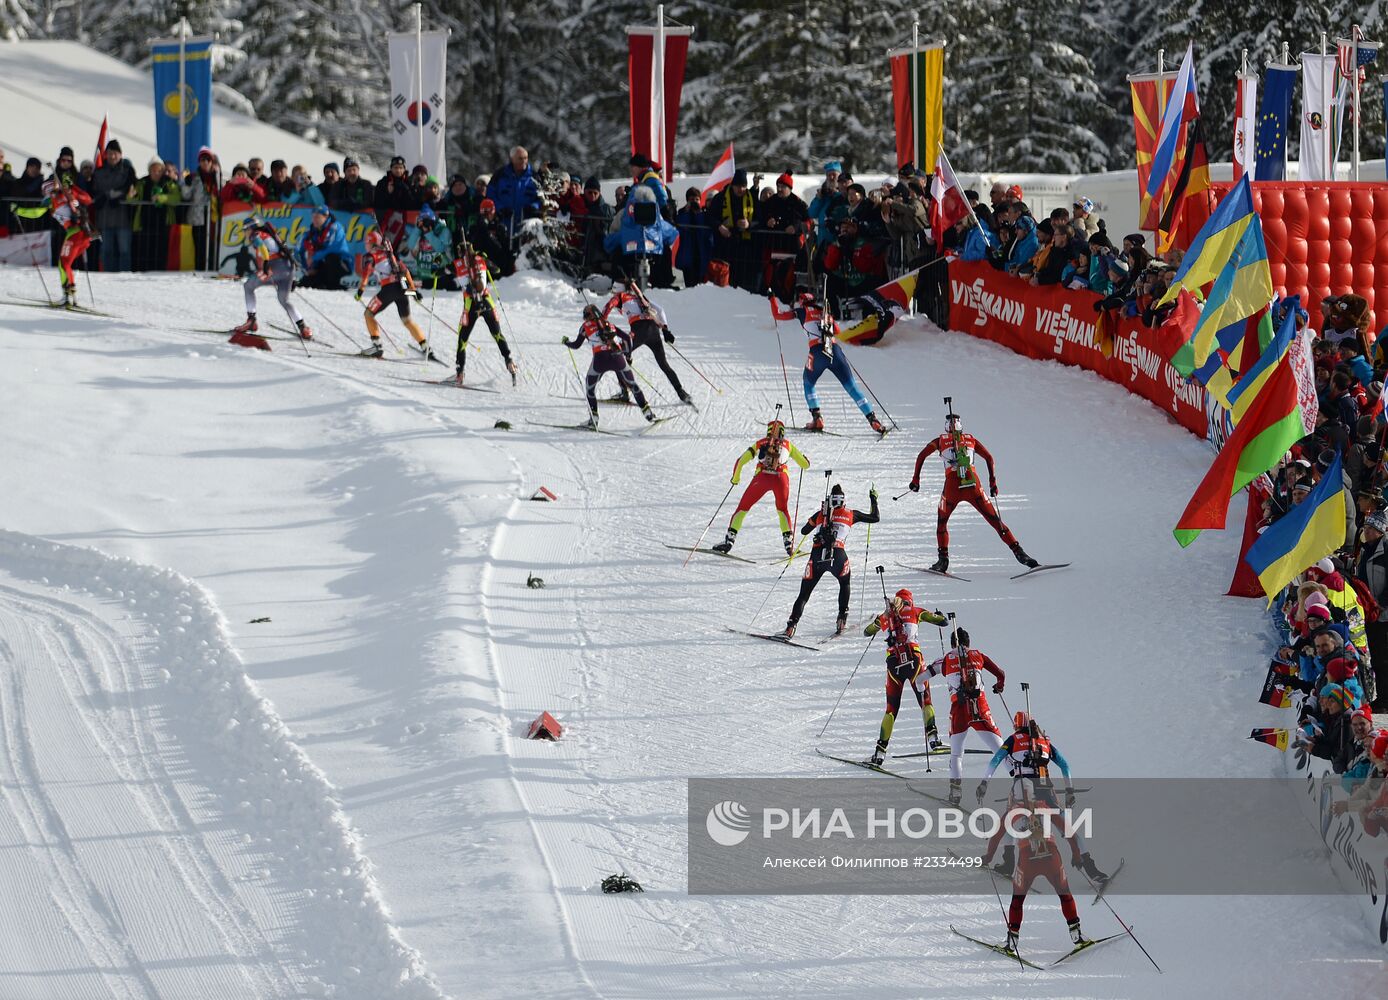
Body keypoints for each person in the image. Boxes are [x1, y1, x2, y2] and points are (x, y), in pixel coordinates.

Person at [975, 713, 1108, 883]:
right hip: (1046, 788)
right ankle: (1090, 867)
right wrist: (1069, 790)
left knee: (1009, 821)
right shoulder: (1045, 741)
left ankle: (1008, 863)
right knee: (1066, 826)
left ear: (1016, 726)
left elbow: (995, 760)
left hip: (1022, 786)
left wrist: (984, 783)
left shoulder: (1012, 740)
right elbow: (1064, 765)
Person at [908, 409, 1038, 573]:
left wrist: (916, 480)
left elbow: (921, 456)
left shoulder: (939, 441)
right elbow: (989, 458)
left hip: (952, 487)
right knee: (996, 521)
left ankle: (943, 560)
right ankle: (1020, 554)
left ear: (946, 427)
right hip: (973, 485)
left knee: (942, 522)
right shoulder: (971, 439)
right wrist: (992, 483)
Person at [770, 290, 884, 434]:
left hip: (816, 351)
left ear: (801, 301)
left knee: (808, 382)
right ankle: (873, 419)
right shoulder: (823, 311)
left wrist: (772, 298)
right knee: (852, 387)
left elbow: (777, 315)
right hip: (834, 350)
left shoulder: (802, 311)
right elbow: (836, 330)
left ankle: (817, 418)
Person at [864, 588, 948, 764]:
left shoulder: (885, 616)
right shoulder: (916, 611)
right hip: (914, 660)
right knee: (925, 700)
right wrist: (940, 616)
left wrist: (878, 623)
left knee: (891, 709)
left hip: (893, 664)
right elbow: (942, 622)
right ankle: (933, 739)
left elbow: (867, 631)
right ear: (910, 600)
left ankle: (880, 753)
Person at [783, 484, 879, 639]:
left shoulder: (820, 514)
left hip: (817, 556)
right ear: (843, 501)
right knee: (844, 583)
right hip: (838, 555)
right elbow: (875, 518)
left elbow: (804, 531)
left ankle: (791, 626)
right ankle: (842, 619)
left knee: (804, 594)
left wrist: (819, 519)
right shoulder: (851, 514)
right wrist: (873, 499)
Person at [927, 626, 1005, 803]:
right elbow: (1001, 674)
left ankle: (955, 793)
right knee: (1001, 751)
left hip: (959, 710)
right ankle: (1022, 787)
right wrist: (999, 686)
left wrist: (921, 690)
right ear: (969, 642)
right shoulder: (978, 655)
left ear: (953, 643)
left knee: (956, 754)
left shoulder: (946, 659)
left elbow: (922, 677)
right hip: (980, 707)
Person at [1001, 801, 1090, 955]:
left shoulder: (1013, 809)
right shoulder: (1043, 804)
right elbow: (1067, 831)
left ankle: (1012, 941)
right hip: (1051, 856)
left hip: (1027, 859)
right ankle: (1077, 935)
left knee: (1017, 900)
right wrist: (1076, 855)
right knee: (1064, 893)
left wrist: (987, 858)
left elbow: (997, 836)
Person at [713, 418, 811, 556]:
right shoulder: (788, 445)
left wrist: (735, 479)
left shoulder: (761, 443)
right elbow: (805, 465)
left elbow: (740, 461)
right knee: (782, 510)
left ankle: (729, 541)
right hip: (781, 479)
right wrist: (806, 460)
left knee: (742, 508)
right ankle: (789, 546)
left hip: (761, 478)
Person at [562, 304, 657, 429]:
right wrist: (627, 356)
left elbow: (576, 345)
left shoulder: (585, 327)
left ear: (586, 316)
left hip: (600, 361)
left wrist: (566, 342)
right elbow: (628, 338)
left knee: (590, 388)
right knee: (633, 385)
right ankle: (648, 414)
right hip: (618, 358)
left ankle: (594, 420)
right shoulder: (609, 324)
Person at [354, 229, 437, 361]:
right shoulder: (390, 254)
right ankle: (425, 346)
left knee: (368, 314)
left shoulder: (371, 256)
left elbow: (365, 275)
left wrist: (360, 291)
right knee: (408, 321)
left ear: (371, 244)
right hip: (402, 289)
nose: (366, 245)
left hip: (389, 289)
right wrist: (413, 290)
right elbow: (405, 271)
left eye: (367, 243)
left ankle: (377, 346)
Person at [601, 283, 691, 404]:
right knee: (664, 364)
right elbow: (660, 310)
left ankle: (624, 393)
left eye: (613, 292)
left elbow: (608, 306)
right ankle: (682, 393)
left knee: (618, 354)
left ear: (617, 291)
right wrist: (665, 330)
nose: (612, 295)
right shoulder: (639, 297)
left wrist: (602, 324)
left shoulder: (620, 296)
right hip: (653, 331)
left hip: (639, 331)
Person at [231, 216, 312, 341]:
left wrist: (265, 264)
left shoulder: (255, 235)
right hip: (288, 269)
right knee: (284, 300)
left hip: (275, 266)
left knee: (248, 286)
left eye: (244, 229)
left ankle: (251, 320)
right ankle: (303, 327)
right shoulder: (268, 234)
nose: (244, 233)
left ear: (250, 228)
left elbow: (263, 249)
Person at [21, 176, 94, 307]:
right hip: (82, 234)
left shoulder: (57, 198)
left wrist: (18, 210)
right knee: (64, 264)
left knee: (64, 263)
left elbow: (36, 213)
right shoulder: (61, 197)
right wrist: (71, 189)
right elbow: (87, 199)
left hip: (75, 233)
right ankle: (69, 296)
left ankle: (68, 296)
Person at [452, 244, 516, 386]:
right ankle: (509, 361)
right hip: (487, 302)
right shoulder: (481, 260)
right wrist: (484, 259)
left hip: (470, 305)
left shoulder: (456, 264)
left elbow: (437, 273)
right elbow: (497, 269)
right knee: (498, 334)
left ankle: (460, 373)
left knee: (462, 340)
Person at [91, 139, 137, 272]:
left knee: (124, 251)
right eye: (110, 153)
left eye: (115, 153)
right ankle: (107, 275)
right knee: (106, 251)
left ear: (121, 154)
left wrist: (117, 195)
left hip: (123, 219)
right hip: (104, 219)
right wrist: (105, 196)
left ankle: (124, 275)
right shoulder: (99, 172)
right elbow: (94, 190)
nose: (112, 156)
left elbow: (131, 189)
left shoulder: (128, 171)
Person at [707, 169, 758, 290]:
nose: (741, 190)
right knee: (723, 282)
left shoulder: (752, 199)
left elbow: (760, 220)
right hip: (724, 246)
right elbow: (709, 217)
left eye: (744, 186)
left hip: (745, 247)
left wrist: (749, 225)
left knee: (742, 284)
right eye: (738, 186)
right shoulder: (720, 198)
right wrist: (720, 227)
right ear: (732, 185)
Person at [131, 157, 181, 271]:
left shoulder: (169, 183)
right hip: (145, 223)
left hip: (164, 223)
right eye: (153, 170)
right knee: (145, 251)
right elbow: (132, 200)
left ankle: (160, 272)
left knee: (161, 251)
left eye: (159, 170)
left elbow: (177, 199)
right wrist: (130, 196)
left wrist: (162, 198)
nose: (156, 173)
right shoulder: (142, 182)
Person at [487, 145, 542, 245]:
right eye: (520, 158)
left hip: (525, 226)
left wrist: (534, 207)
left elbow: (542, 197)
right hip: (504, 224)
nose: (524, 161)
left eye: (526, 158)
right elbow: (491, 194)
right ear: (512, 159)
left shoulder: (534, 177)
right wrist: (500, 208)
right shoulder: (500, 175)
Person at [181, 147, 221, 270]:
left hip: (213, 217)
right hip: (197, 217)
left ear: (212, 162)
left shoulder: (218, 177)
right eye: (203, 160)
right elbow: (186, 195)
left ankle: (212, 268)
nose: (205, 162)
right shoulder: (195, 177)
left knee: (213, 245)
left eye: (208, 159)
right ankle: (199, 270)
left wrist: (218, 178)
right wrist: (184, 183)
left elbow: (221, 193)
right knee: (199, 246)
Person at [296, 205, 353, 290]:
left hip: (342, 263)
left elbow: (333, 248)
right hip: (322, 264)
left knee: (330, 257)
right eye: (313, 217)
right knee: (305, 283)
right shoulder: (310, 231)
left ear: (326, 217)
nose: (314, 220)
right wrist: (307, 268)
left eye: (318, 217)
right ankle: (323, 283)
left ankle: (333, 285)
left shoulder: (336, 227)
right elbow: (298, 251)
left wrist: (314, 258)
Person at [401, 204, 454, 289]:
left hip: (440, 275)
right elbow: (410, 245)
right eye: (424, 221)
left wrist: (429, 233)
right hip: (424, 273)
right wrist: (417, 229)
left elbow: (440, 249)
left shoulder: (443, 230)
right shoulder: (420, 229)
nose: (426, 224)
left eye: (428, 221)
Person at [674, 187, 714, 289]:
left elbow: (704, 231)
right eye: (692, 200)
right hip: (688, 257)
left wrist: (698, 214)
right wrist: (687, 212)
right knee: (689, 286)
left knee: (701, 287)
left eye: (697, 199)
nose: (695, 202)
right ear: (687, 201)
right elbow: (681, 229)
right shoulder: (682, 213)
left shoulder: (704, 214)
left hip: (701, 256)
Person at [468, 199, 516, 276]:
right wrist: (483, 228)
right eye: (484, 213)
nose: (487, 216)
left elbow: (502, 248)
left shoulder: (500, 227)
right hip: (482, 261)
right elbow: (473, 244)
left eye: (488, 213)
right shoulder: (475, 227)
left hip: (498, 261)